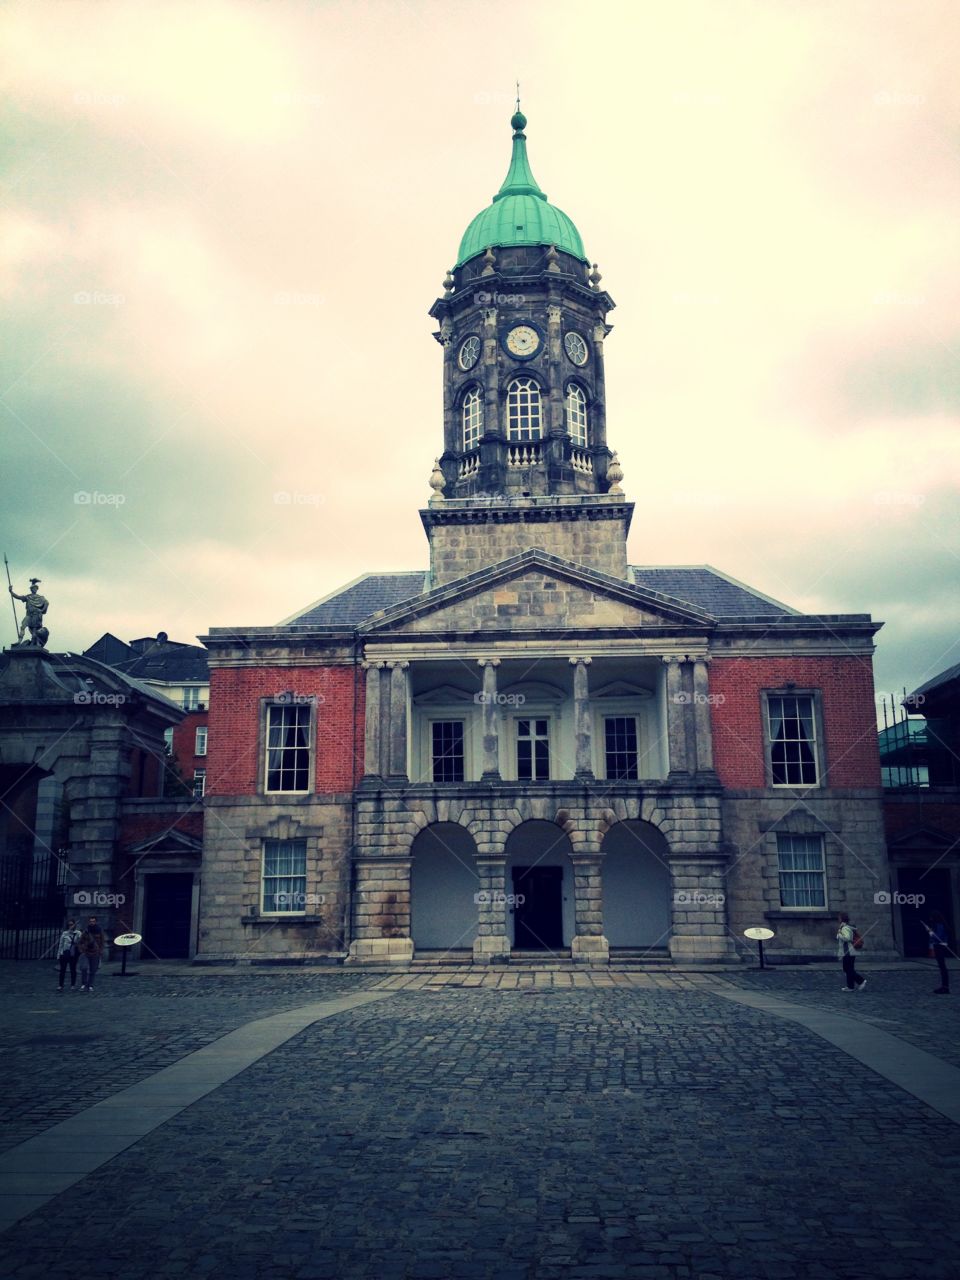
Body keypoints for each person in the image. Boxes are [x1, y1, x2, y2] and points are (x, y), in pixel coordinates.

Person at [837, 912, 866, 992]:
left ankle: (861, 981)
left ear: (842, 919)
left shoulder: (845, 928)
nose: (838, 919)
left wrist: (840, 935)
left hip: (848, 951)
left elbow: (848, 938)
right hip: (849, 951)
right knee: (849, 969)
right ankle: (850, 987)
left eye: (839, 918)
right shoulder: (843, 927)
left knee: (847, 969)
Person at [924, 910, 951, 994]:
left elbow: (938, 937)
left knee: (942, 967)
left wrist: (930, 932)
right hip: (939, 946)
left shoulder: (939, 925)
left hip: (939, 947)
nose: (930, 919)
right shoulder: (940, 925)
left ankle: (945, 987)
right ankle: (944, 986)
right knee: (942, 967)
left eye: (931, 917)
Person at [78, 917, 104, 991]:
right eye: (90, 921)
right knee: (84, 968)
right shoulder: (86, 931)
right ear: (89, 922)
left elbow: (102, 941)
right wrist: (81, 949)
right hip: (86, 952)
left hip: (95, 952)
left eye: (93, 921)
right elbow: (80, 942)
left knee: (93, 970)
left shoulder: (99, 930)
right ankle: (84, 984)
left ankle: (90, 985)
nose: (92, 923)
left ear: (96, 922)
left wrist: (101, 951)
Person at [56, 919, 82, 991]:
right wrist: (59, 954)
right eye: (69, 925)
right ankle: (61, 985)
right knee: (62, 970)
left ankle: (73, 985)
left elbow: (81, 941)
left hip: (73, 954)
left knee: (73, 969)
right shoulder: (64, 933)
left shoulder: (78, 933)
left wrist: (78, 937)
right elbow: (61, 945)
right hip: (64, 953)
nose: (71, 926)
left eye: (72, 924)